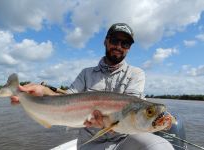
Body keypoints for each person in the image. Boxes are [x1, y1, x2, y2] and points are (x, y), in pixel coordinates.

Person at [11, 23, 174, 150]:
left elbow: (130, 111)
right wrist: (43, 92)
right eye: (115, 40)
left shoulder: (136, 74)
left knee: (162, 147)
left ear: (129, 48)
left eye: (125, 43)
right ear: (106, 41)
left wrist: (111, 122)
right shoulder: (85, 73)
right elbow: (65, 100)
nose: (119, 46)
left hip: (125, 139)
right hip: (91, 142)